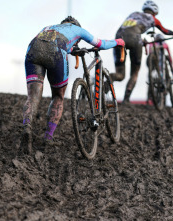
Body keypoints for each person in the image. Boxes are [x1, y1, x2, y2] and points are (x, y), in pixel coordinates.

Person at [21, 16, 125, 154]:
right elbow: (101, 44)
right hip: (56, 51)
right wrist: (118, 42)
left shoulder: (49, 27)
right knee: (58, 96)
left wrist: (71, 49)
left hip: (33, 48)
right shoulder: (78, 29)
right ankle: (48, 137)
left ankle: (27, 127)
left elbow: (52, 43)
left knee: (33, 96)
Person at [110, 0, 173, 104]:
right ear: (154, 12)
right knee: (134, 73)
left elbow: (129, 29)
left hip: (118, 38)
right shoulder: (153, 19)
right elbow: (165, 31)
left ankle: (105, 81)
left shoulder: (133, 14)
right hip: (135, 39)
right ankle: (126, 100)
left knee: (120, 75)